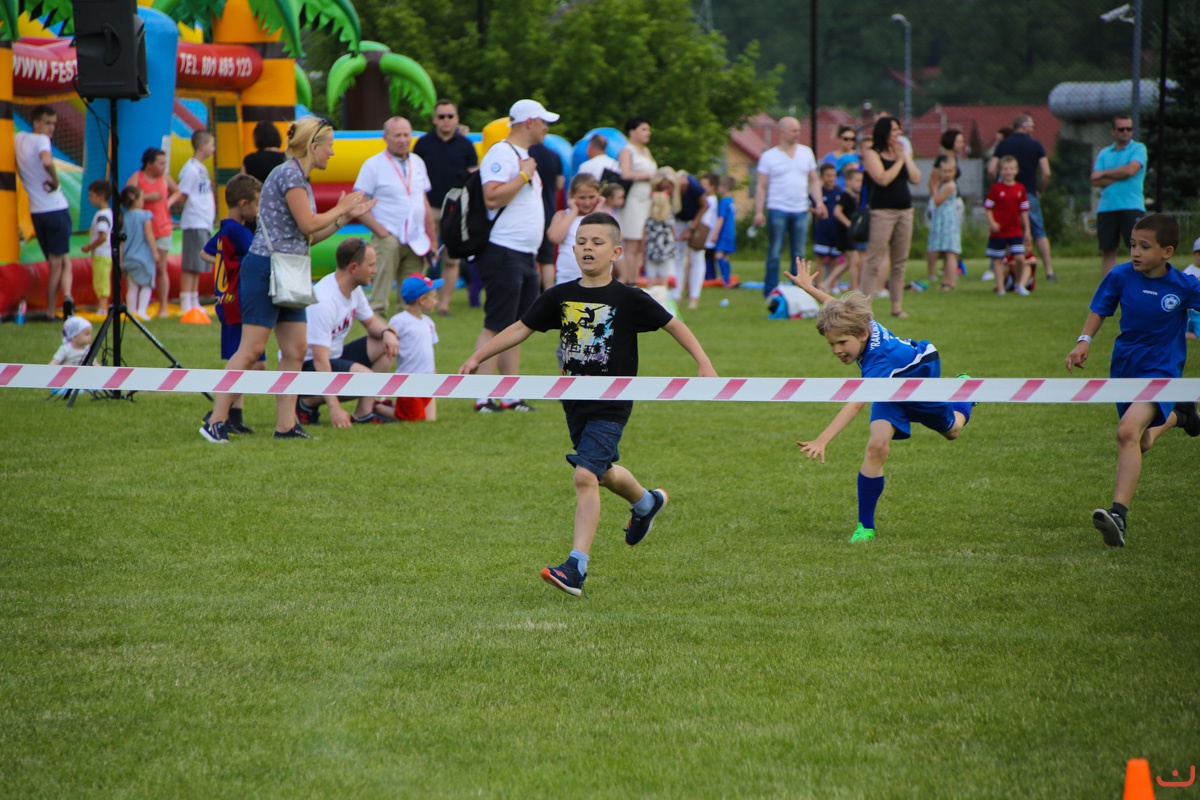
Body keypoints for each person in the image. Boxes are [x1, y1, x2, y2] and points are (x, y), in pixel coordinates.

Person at [458, 212, 717, 597]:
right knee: (601, 472)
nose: (587, 248)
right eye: (581, 242)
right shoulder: (559, 295)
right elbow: (521, 327)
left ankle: (575, 567)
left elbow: (673, 324)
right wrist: (479, 356)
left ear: (616, 252)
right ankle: (646, 502)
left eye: (597, 242)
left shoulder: (629, 298)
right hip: (574, 403)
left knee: (584, 476)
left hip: (612, 404)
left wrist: (704, 362)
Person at [199, 116, 375, 444]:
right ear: (313, 146)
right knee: (251, 349)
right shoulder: (290, 175)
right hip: (266, 269)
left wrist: (344, 217)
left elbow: (306, 237)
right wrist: (341, 208)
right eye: (330, 146)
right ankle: (216, 420)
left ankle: (285, 425)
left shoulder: (299, 179)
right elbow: (308, 224)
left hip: (289, 271)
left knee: (295, 349)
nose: (332, 152)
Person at [784, 259, 975, 543]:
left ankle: (965, 391)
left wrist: (822, 439)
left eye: (842, 343)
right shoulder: (857, 324)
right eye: (831, 344)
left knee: (953, 431)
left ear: (862, 335)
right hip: (889, 389)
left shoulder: (877, 362)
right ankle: (866, 526)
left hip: (920, 378)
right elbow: (837, 307)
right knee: (876, 447)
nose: (836, 350)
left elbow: (855, 404)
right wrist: (809, 288)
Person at [1064, 214, 1200, 546]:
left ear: (1167, 252)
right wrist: (1084, 341)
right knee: (1141, 441)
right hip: (1125, 369)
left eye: (1144, 246)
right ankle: (1181, 415)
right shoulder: (1121, 276)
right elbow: (1100, 309)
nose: (1136, 252)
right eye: (1133, 245)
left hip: (1162, 372)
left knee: (1126, 432)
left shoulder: (1184, 286)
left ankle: (1118, 515)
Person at [470, 98, 559, 414]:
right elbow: (492, 196)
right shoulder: (501, 153)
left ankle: (510, 394)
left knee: (519, 325)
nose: (546, 128)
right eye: (543, 122)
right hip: (503, 250)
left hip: (524, 253)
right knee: (496, 324)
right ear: (529, 122)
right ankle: (481, 396)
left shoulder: (523, 156)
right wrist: (522, 176)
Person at [294, 238, 399, 427]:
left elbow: (371, 322)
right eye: (371, 265)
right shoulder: (325, 301)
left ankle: (363, 413)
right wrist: (334, 407)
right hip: (306, 368)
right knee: (366, 379)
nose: (375, 271)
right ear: (354, 268)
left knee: (385, 346)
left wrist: (387, 332)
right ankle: (305, 403)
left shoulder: (353, 289)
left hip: (333, 357)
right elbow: (320, 360)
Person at [200, 173, 263, 435]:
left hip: (230, 301)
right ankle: (220, 413)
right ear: (244, 204)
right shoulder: (237, 230)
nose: (259, 210)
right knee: (249, 361)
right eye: (257, 204)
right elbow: (259, 254)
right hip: (237, 303)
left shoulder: (227, 228)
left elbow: (205, 252)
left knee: (252, 362)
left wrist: (227, 263)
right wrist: (231, 266)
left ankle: (234, 417)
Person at [354, 117, 436, 318]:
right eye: (397, 135)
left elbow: (424, 202)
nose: (402, 140)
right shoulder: (373, 165)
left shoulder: (418, 162)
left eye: (406, 135)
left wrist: (432, 239)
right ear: (386, 138)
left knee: (412, 298)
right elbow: (359, 203)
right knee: (380, 296)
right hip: (388, 237)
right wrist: (380, 230)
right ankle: (377, 332)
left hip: (416, 239)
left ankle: (408, 333)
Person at [413, 99, 478, 315]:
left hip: (456, 210)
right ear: (434, 119)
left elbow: (473, 178)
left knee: (452, 259)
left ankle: (444, 305)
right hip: (428, 208)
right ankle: (421, 301)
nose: (446, 120)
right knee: (424, 256)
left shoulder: (466, 146)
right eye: (441, 116)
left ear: (457, 118)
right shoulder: (423, 144)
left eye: (450, 116)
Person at [753, 116, 825, 298]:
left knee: (799, 254)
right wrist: (759, 211)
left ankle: (798, 291)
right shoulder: (769, 157)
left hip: (801, 209)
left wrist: (819, 202)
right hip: (777, 208)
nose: (798, 134)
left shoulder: (806, 153)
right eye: (794, 130)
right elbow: (761, 185)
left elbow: (814, 180)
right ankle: (770, 291)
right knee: (774, 252)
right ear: (782, 132)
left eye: (799, 130)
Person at [15, 105, 73, 319]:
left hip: (37, 212)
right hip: (55, 208)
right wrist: (55, 180)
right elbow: (47, 160)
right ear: (36, 122)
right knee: (58, 262)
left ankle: (67, 297)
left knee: (61, 259)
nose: (51, 128)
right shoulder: (41, 140)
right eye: (48, 123)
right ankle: (52, 309)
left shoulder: (19, 139)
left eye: (54, 124)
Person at [860, 115, 920, 318]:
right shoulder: (871, 153)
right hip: (882, 212)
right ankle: (865, 308)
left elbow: (915, 178)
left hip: (905, 211)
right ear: (884, 132)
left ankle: (896, 306)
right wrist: (899, 161)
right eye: (894, 130)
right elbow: (882, 179)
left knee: (899, 261)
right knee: (874, 260)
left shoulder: (902, 152)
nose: (898, 134)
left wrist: (905, 157)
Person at [989, 114, 1056, 281]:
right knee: (1038, 231)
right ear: (1025, 126)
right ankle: (1049, 270)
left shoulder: (1004, 144)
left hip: (1006, 195)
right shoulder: (1036, 145)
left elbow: (991, 169)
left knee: (1005, 230)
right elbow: (1046, 173)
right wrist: (1039, 190)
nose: (1033, 129)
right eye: (1031, 125)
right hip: (1028, 192)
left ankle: (1000, 268)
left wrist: (997, 187)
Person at [375, 274, 443, 422]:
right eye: (434, 297)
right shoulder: (400, 320)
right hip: (409, 381)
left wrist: (435, 377)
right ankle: (378, 407)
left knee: (430, 420)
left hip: (427, 381)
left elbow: (429, 354)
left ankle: (390, 406)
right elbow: (389, 337)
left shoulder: (429, 322)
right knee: (414, 419)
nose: (437, 301)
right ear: (422, 300)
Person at [126, 148, 181, 318]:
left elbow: (178, 191)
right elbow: (127, 196)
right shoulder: (138, 177)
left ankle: (163, 306)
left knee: (161, 267)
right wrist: (148, 197)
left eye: (165, 163)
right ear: (150, 164)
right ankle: (136, 306)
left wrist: (168, 202)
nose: (164, 166)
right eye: (161, 163)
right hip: (142, 232)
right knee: (140, 266)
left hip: (162, 228)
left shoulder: (165, 178)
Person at [1091, 114, 1148, 276]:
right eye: (1121, 129)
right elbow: (1094, 180)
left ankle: (1140, 282)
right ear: (1113, 131)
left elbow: (1131, 170)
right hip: (1107, 207)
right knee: (1108, 249)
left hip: (1131, 205)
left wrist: (1105, 173)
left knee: (1137, 248)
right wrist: (1120, 174)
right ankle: (1109, 284)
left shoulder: (1138, 148)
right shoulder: (1104, 153)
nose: (1125, 132)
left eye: (1129, 129)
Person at [177, 130, 217, 315]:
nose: (213, 149)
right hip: (194, 221)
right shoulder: (190, 169)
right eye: (211, 145)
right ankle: (186, 300)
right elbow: (182, 194)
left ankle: (194, 299)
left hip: (204, 221)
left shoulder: (201, 168)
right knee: (191, 263)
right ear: (202, 146)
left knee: (198, 264)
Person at [616, 117, 658, 284]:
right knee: (632, 242)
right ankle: (629, 281)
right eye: (643, 129)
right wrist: (646, 175)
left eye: (648, 130)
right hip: (633, 199)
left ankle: (636, 279)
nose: (648, 133)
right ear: (632, 132)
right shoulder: (627, 150)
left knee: (641, 243)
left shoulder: (646, 151)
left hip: (647, 200)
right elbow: (625, 173)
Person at [546, 173, 605, 288]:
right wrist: (573, 212)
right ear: (572, 196)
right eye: (582, 198)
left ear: (599, 196)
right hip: (567, 279)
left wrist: (598, 212)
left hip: (598, 281)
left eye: (592, 197)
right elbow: (554, 237)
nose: (587, 202)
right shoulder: (563, 215)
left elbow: (616, 237)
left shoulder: (603, 216)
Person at [985, 155, 1031, 296]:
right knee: (998, 259)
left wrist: (1027, 230)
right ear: (1000, 171)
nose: (1008, 171)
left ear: (1016, 170)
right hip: (999, 231)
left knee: (1019, 258)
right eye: (1005, 169)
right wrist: (992, 222)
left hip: (1015, 230)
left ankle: (1018, 284)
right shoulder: (996, 189)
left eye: (1011, 168)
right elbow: (988, 208)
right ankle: (1001, 288)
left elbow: (1024, 211)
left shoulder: (1020, 188)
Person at [528, 140, 564, 293]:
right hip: (549, 212)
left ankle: (534, 295)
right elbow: (559, 184)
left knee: (531, 259)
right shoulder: (554, 155)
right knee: (548, 260)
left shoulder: (526, 153)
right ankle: (548, 293)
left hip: (530, 214)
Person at [118, 186, 157, 321]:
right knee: (146, 285)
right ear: (136, 201)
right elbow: (149, 234)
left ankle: (131, 311)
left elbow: (121, 243)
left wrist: (120, 260)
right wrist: (155, 251)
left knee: (132, 287)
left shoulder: (124, 218)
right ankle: (142, 311)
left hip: (129, 258)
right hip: (143, 259)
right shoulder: (145, 216)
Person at [827, 166, 865, 293]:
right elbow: (837, 212)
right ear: (848, 181)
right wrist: (849, 224)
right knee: (854, 260)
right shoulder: (844, 196)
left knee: (848, 262)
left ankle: (826, 283)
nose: (859, 183)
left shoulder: (855, 197)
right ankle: (854, 288)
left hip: (851, 233)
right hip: (845, 233)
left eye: (861, 181)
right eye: (857, 181)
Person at [672, 169, 708, 304]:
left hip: (696, 220)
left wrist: (692, 228)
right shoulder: (672, 187)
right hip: (679, 221)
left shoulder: (694, 187)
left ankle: (694, 297)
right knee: (678, 257)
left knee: (697, 257)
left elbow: (705, 205)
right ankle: (676, 295)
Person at [927, 156, 962, 290]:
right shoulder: (945, 185)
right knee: (945, 253)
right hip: (942, 220)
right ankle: (946, 281)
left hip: (948, 222)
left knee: (950, 253)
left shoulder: (950, 186)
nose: (947, 174)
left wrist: (935, 188)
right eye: (945, 171)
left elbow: (937, 201)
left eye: (950, 171)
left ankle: (950, 282)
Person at [80, 180, 113, 316]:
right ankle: (102, 306)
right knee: (99, 281)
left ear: (101, 196)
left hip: (102, 254)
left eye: (91, 195)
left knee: (101, 281)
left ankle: (103, 308)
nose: (89, 198)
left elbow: (102, 236)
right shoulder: (106, 213)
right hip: (103, 254)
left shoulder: (102, 216)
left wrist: (89, 247)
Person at [812, 163, 842, 283]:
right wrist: (817, 211)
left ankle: (832, 284)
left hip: (836, 230)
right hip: (823, 229)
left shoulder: (839, 191)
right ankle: (818, 284)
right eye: (828, 176)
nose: (831, 178)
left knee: (835, 259)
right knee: (821, 258)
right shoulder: (818, 193)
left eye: (833, 175)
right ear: (822, 177)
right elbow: (808, 206)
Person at [713, 175, 737, 287]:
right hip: (730, 232)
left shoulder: (723, 202)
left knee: (719, 255)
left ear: (725, 187)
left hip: (723, 233)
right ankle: (727, 278)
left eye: (719, 186)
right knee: (726, 256)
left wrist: (715, 233)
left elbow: (721, 218)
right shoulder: (731, 201)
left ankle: (725, 280)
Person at [821, 125, 861, 190]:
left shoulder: (859, 157)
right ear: (838, 139)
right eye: (846, 139)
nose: (849, 141)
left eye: (852, 139)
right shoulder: (829, 158)